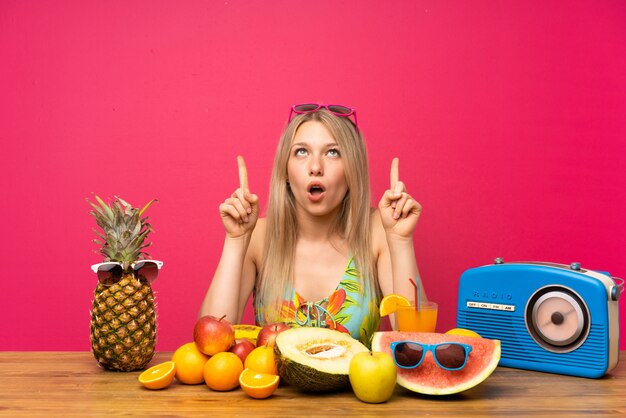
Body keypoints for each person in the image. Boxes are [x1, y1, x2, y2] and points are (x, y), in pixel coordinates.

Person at [200, 103, 427, 345]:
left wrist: (400, 240)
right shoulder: (258, 237)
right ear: (285, 171)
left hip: (356, 384)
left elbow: (416, 345)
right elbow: (209, 343)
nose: (316, 167)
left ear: (353, 171)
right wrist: (236, 240)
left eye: (333, 152)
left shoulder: (378, 232)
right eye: (301, 152)